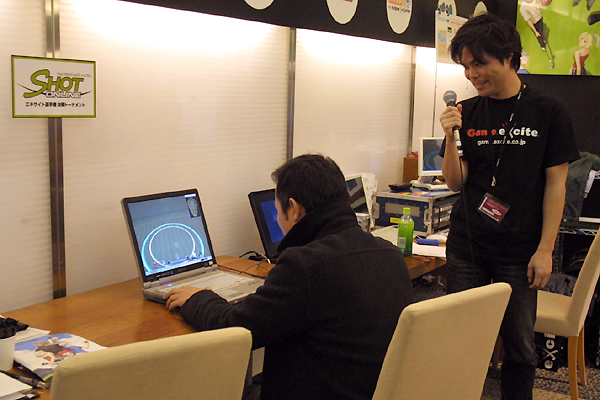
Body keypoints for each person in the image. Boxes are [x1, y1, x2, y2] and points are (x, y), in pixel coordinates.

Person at [165, 154, 414, 400]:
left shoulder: (304, 266)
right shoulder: (390, 253)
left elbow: (234, 329)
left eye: (277, 211)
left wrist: (198, 298)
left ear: (293, 209)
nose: (277, 218)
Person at [439, 13, 580, 400]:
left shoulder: (548, 110)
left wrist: (545, 250)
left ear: (508, 57)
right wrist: (450, 138)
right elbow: (455, 182)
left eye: (479, 63)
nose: (472, 74)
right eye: (465, 66)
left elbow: (556, 186)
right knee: (460, 340)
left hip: (519, 252)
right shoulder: (467, 111)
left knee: (519, 347)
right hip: (467, 246)